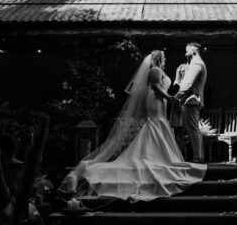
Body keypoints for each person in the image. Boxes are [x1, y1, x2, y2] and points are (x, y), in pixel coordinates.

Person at [60, 50, 206, 201]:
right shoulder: (155, 70)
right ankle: (151, 156)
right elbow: (156, 86)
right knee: (155, 124)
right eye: (164, 57)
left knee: (159, 124)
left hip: (160, 101)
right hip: (156, 100)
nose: (165, 59)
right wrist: (168, 98)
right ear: (159, 58)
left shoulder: (159, 70)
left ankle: (156, 155)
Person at [175, 42, 208, 163]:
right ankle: (195, 156)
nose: (185, 53)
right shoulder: (194, 63)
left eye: (187, 50)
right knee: (187, 130)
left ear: (194, 51)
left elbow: (188, 84)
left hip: (191, 100)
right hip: (189, 101)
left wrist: (176, 96)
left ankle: (198, 157)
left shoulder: (196, 63)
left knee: (193, 130)